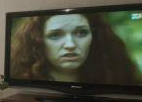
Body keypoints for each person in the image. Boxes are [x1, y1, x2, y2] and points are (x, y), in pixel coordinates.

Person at [9, 12, 141, 84]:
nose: (70, 45)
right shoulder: (20, 77)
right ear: (38, 42)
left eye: (81, 33)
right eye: (55, 35)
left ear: (95, 38)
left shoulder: (119, 78)